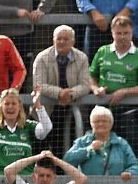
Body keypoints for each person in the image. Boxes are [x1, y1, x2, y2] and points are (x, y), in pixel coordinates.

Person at [88, 15, 138, 154]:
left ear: (132, 32)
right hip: (103, 110)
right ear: (112, 33)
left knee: (129, 152)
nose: (122, 37)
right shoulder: (102, 51)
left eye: (126, 33)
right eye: (118, 33)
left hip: (129, 112)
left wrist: (124, 92)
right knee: (101, 152)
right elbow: (90, 76)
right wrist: (95, 89)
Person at [32, 25, 93, 154]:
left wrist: (70, 94)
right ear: (53, 40)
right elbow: (39, 85)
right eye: (58, 38)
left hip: (69, 110)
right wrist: (59, 93)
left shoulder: (81, 58)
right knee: (39, 151)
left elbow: (85, 85)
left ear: (73, 41)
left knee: (63, 152)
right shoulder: (42, 57)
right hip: (44, 111)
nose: (62, 42)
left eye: (66, 39)